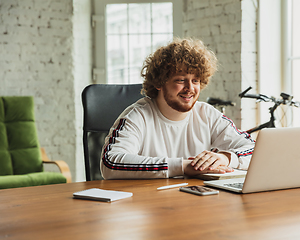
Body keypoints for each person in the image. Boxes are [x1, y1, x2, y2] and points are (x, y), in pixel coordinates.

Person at [100, 38, 255, 179]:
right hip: (148, 203)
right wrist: (184, 167)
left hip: (196, 200)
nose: (190, 88)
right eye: (181, 80)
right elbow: (110, 162)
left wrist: (226, 158)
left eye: (195, 80)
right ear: (159, 83)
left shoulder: (207, 114)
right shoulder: (137, 116)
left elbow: (255, 149)